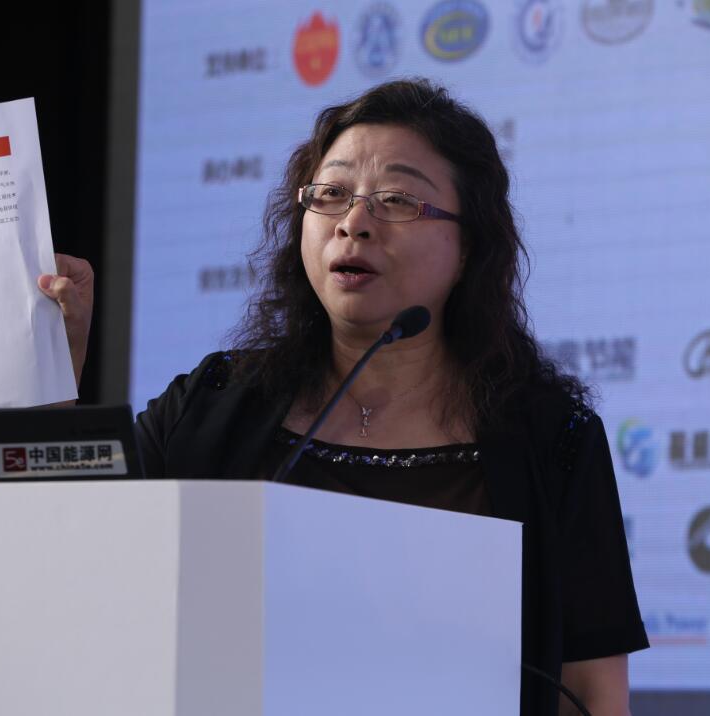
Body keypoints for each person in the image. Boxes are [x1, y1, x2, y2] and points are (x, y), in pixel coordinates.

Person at [41, 78, 648, 716]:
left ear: (469, 246)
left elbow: (592, 694)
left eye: (398, 201)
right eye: (331, 195)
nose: (354, 224)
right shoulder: (213, 404)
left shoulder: (551, 439)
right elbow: (77, 564)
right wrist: (53, 368)